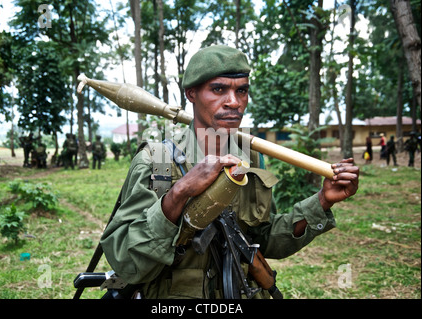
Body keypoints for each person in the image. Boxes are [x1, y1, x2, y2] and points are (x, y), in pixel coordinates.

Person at [100, 45, 359, 299]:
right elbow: (125, 261)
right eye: (218, 89)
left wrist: (323, 201)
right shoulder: (157, 160)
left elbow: (265, 239)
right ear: (191, 94)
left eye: (242, 91)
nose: (234, 102)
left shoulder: (250, 156)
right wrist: (179, 192)